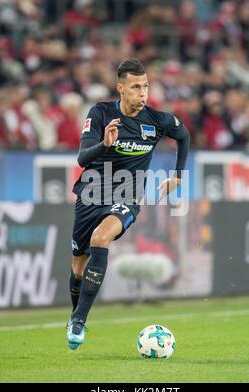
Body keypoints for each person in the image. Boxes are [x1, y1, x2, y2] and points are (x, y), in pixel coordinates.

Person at [67, 58, 190, 350]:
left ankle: (79, 322)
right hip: (92, 193)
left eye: (145, 86)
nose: (143, 93)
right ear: (121, 88)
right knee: (77, 268)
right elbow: (82, 158)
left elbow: (183, 135)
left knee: (101, 238)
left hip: (128, 196)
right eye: (136, 87)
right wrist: (105, 144)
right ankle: (76, 314)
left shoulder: (157, 120)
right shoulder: (100, 113)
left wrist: (178, 177)